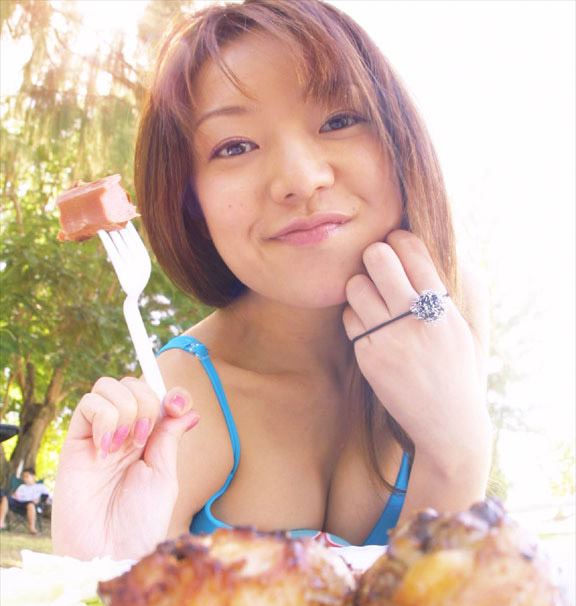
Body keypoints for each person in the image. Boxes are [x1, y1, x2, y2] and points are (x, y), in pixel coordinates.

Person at [52, 0, 491, 561]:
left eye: (338, 120)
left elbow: (459, 604)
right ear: (191, 203)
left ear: (401, 138)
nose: (301, 180)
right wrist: (97, 565)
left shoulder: (448, 306)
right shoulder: (179, 408)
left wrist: (456, 446)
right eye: (234, 146)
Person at [0, 467, 51, 534]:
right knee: (4, 498)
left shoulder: (40, 487)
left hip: (32, 505)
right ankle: (1, 523)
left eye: (27, 476)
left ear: (33, 477)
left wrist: (40, 500)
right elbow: (15, 496)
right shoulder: (22, 487)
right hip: (18, 504)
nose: (25, 478)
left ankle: (32, 528)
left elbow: (48, 498)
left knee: (30, 505)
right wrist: (13, 496)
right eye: (23, 477)